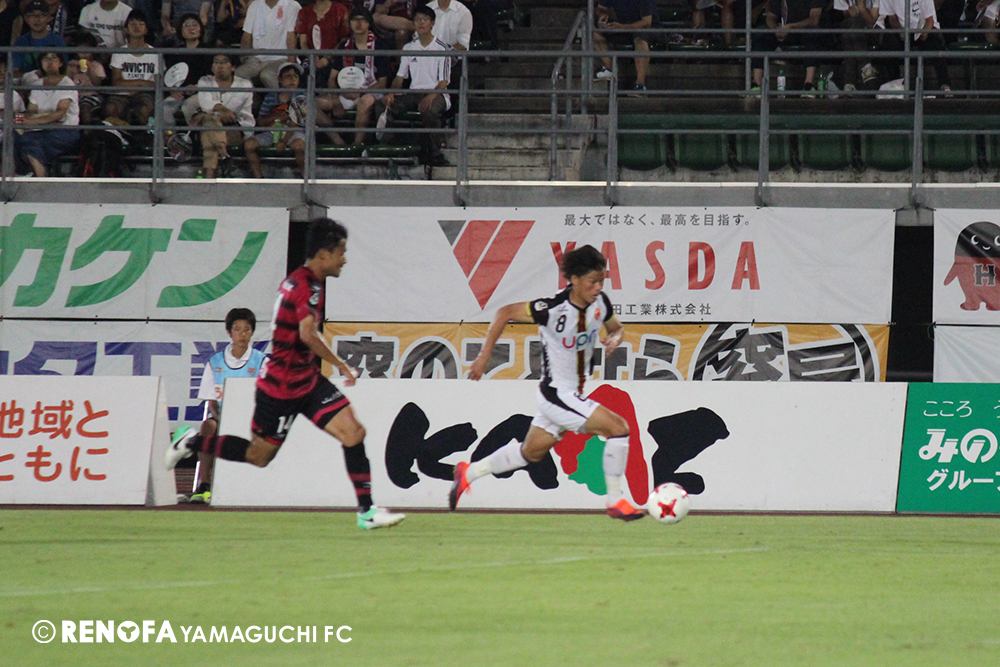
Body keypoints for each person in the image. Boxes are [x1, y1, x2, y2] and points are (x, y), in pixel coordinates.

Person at [166, 218, 406, 530]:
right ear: (324, 254)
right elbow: (307, 334)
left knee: (354, 433)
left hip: (307, 381)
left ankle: (367, 512)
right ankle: (191, 441)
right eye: (341, 252)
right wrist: (341, 364)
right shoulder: (306, 286)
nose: (344, 259)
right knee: (258, 456)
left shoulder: (306, 281)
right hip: (280, 388)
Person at [449, 244, 643, 522]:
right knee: (619, 428)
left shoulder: (601, 304)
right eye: (592, 281)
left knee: (530, 453)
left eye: (602, 281)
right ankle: (616, 501)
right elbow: (504, 312)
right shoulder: (551, 309)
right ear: (574, 279)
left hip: (570, 394)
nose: (598, 287)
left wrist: (614, 338)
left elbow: (617, 328)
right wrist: (483, 357)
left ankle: (468, 472)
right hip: (556, 393)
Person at [189, 307, 266, 504]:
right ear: (229, 332)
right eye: (237, 329)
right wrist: (223, 418)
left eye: (247, 329)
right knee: (208, 426)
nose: (242, 334)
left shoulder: (262, 361)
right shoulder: (215, 362)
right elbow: (212, 401)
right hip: (222, 416)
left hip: (252, 418)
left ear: (252, 332)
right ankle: (204, 485)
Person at [382, 5, 451, 167]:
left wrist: (431, 96)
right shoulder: (408, 48)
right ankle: (387, 147)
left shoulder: (442, 48)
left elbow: (443, 82)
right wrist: (391, 93)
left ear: (432, 23)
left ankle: (435, 153)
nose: (421, 23)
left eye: (425, 19)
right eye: (417, 20)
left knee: (430, 111)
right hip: (413, 93)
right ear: (413, 24)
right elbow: (400, 77)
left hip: (437, 94)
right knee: (383, 105)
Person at [327, 5, 390, 146]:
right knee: (313, 104)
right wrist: (336, 100)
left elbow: (382, 82)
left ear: (369, 23)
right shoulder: (344, 47)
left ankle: (356, 146)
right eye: (355, 20)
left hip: (371, 91)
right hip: (346, 92)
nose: (358, 23)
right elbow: (332, 78)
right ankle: (338, 141)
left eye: (363, 20)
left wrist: (360, 93)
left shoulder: (380, 46)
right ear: (350, 23)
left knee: (364, 101)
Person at [16, 51, 79, 176]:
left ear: (60, 63)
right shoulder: (37, 84)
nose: (49, 62)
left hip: (65, 130)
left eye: (53, 58)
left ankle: (41, 177)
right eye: (45, 59)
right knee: (12, 136)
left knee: (30, 143)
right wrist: (21, 119)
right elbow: (32, 110)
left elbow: (60, 113)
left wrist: (32, 121)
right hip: (40, 129)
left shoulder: (67, 83)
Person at [193, 52, 255, 178]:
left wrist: (206, 113)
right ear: (212, 67)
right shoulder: (205, 81)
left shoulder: (245, 84)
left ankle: (209, 177)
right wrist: (220, 109)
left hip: (236, 127)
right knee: (211, 125)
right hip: (213, 128)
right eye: (216, 62)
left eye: (224, 62)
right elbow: (205, 104)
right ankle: (223, 154)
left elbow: (232, 110)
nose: (220, 66)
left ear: (233, 67)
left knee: (208, 124)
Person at [243, 61, 307, 177]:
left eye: (295, 76)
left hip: (295, 132)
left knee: (298, 145)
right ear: (280, 79)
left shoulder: (301, 96)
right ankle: (259, 178)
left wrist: (283, 141)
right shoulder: (271, 97)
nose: (292, 79)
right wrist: (276, 117)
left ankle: (306, 177)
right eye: (288, 76)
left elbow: (295, 123)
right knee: (249, 145)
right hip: (271, 132)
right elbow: (261, 121)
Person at [750, 0, 824, 94]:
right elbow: (770, 17)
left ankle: (808, 84)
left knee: (813, 33)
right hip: (782, 31)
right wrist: (776, 29)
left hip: (802, 30)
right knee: (760, 33)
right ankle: (756, 84)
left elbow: (814, 20)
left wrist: (791, 27)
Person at [880, 0, 952, 93]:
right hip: (903, 29)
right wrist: (901, 31)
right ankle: (894, 83)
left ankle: (944, 84)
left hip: (923, 28)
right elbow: (892, 18)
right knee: (889, 43)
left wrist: (924, 33)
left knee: (936, 44)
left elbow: (929, 19)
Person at [103, 9, 158, 126]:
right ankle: (120, 134)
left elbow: (157, 83)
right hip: (122, 94)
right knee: (110, 108)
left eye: (141, 24)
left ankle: (143, 135)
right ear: (126, 29)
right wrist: (142, 82)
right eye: (133, 24)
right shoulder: (119, 53)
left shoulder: (155, 53)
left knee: (143, 109)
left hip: (146, 94)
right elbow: (117, 82)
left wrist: (137, 87)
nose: (137, 27)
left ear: (146, 30)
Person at [592, 0, 659, 93]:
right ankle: (609, 68)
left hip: (647, 30)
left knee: (640, 39)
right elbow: (600, 8)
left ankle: (640, 84)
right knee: (595, 33)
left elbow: (646, 23)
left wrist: (622, 27)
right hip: (623, 28)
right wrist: (602, 16)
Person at [162, 13, 215, 127]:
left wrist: (197, 87)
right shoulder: (175, 52)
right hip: (181, 93)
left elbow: (213, 76)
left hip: (203, 92)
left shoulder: (209, 51)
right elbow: (170, 76)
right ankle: (171, 135)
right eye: (187, 25)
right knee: (165, 107)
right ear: (180, 30)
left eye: (195, 25)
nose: (191, 28)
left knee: (188, 106)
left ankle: (193, 135)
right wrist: (173, 90)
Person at [235, 0, 300, 91]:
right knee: (238, 74)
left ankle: (282, 99)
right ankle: (254, 99)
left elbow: (291, 37)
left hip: (281, 58)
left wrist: (291, 65)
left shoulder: (292, 5)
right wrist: (244, 57)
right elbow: (247, 35)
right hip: (256, 59)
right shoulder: (255, 5)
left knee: (267, 75)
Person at [12, 0, 65, 79]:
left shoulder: (57, 42)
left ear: (49, 18)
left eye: (42, 15)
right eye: (32, 15)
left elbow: (63, 71)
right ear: (25, 18)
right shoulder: (21, 42)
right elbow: (14, 71)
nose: (37, 19)